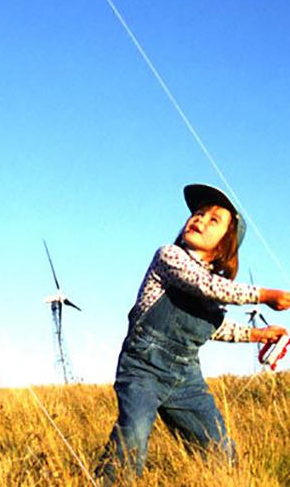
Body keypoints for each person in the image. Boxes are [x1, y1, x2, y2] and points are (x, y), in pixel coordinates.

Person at [95, 183, 290, 483]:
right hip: (143, 371)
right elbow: (207, 285)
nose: (199, 219)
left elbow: (215, 327)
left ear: (226, 244)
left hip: (187, 379)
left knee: (221, 450)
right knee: (131, 441)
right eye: (198, 213)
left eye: (213, 219)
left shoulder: (213, 288)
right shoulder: (169, 257)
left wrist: (258, 335)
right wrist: (264, 295)